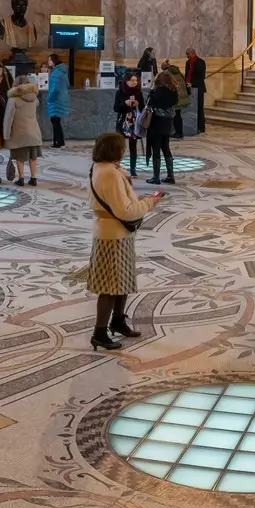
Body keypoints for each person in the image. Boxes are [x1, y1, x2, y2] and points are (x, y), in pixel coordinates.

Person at [87, 132, 160, 350]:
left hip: (116, 233)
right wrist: (150, 202)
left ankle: (118, 321)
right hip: (113, 236)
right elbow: (126, 211)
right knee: (109, 286)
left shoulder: (105, 169)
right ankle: (99, 332)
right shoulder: (110, 173)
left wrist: (125, 179)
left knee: (122, 281)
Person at [4, 73, 44, 186]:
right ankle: (33, 178)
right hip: (34, 132)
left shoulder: (13, 99)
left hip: (19, 133)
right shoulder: (34, 99)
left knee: (19, 157)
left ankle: (21, 178)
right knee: (33, 156)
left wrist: (6, 134)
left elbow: (8, 118)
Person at [144, 69, 182, 184]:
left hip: (156, 123)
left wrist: (152, 90)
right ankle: (171, 175)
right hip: (168, 123)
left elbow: (149, 102)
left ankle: (156, 177)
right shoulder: (173, 91)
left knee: (156, 149)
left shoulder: (157, 91)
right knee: (166, 148)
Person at [113, 67, 145, 176]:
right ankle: (116, 165)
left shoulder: (138, 92)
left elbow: (143, 106)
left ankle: (133, 168)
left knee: (133, 145)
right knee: (119, 144)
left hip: (134, 121)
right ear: (127, 81)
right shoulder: (120, 92)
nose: (135, 83)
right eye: (132, 80)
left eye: (136, 81)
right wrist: (124, 103)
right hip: (123, 121)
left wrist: (137, 104)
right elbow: (116, 108)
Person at [45, 53, 71, 149]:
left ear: (53, 61)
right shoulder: (62, 72)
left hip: (56, 100)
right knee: (57, 121)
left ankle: (57, 142)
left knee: (55, 121)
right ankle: (60, 141)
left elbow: (54, 89)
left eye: (49, 60)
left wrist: (49, 99)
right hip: (62, 98)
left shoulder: (56, 73)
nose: (48, 62)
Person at [185, 48, 208, 136]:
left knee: (199, 108)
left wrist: (192, 83)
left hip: (198, 88)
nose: (187, 56)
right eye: (186, 54)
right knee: (191, 108)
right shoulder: (188, 63)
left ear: (193, 53)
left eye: (188, 54)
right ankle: (192, 126)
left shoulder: (200, 62)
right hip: (189, 88)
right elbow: (187, 74)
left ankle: (201, 127)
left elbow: (201, 76)